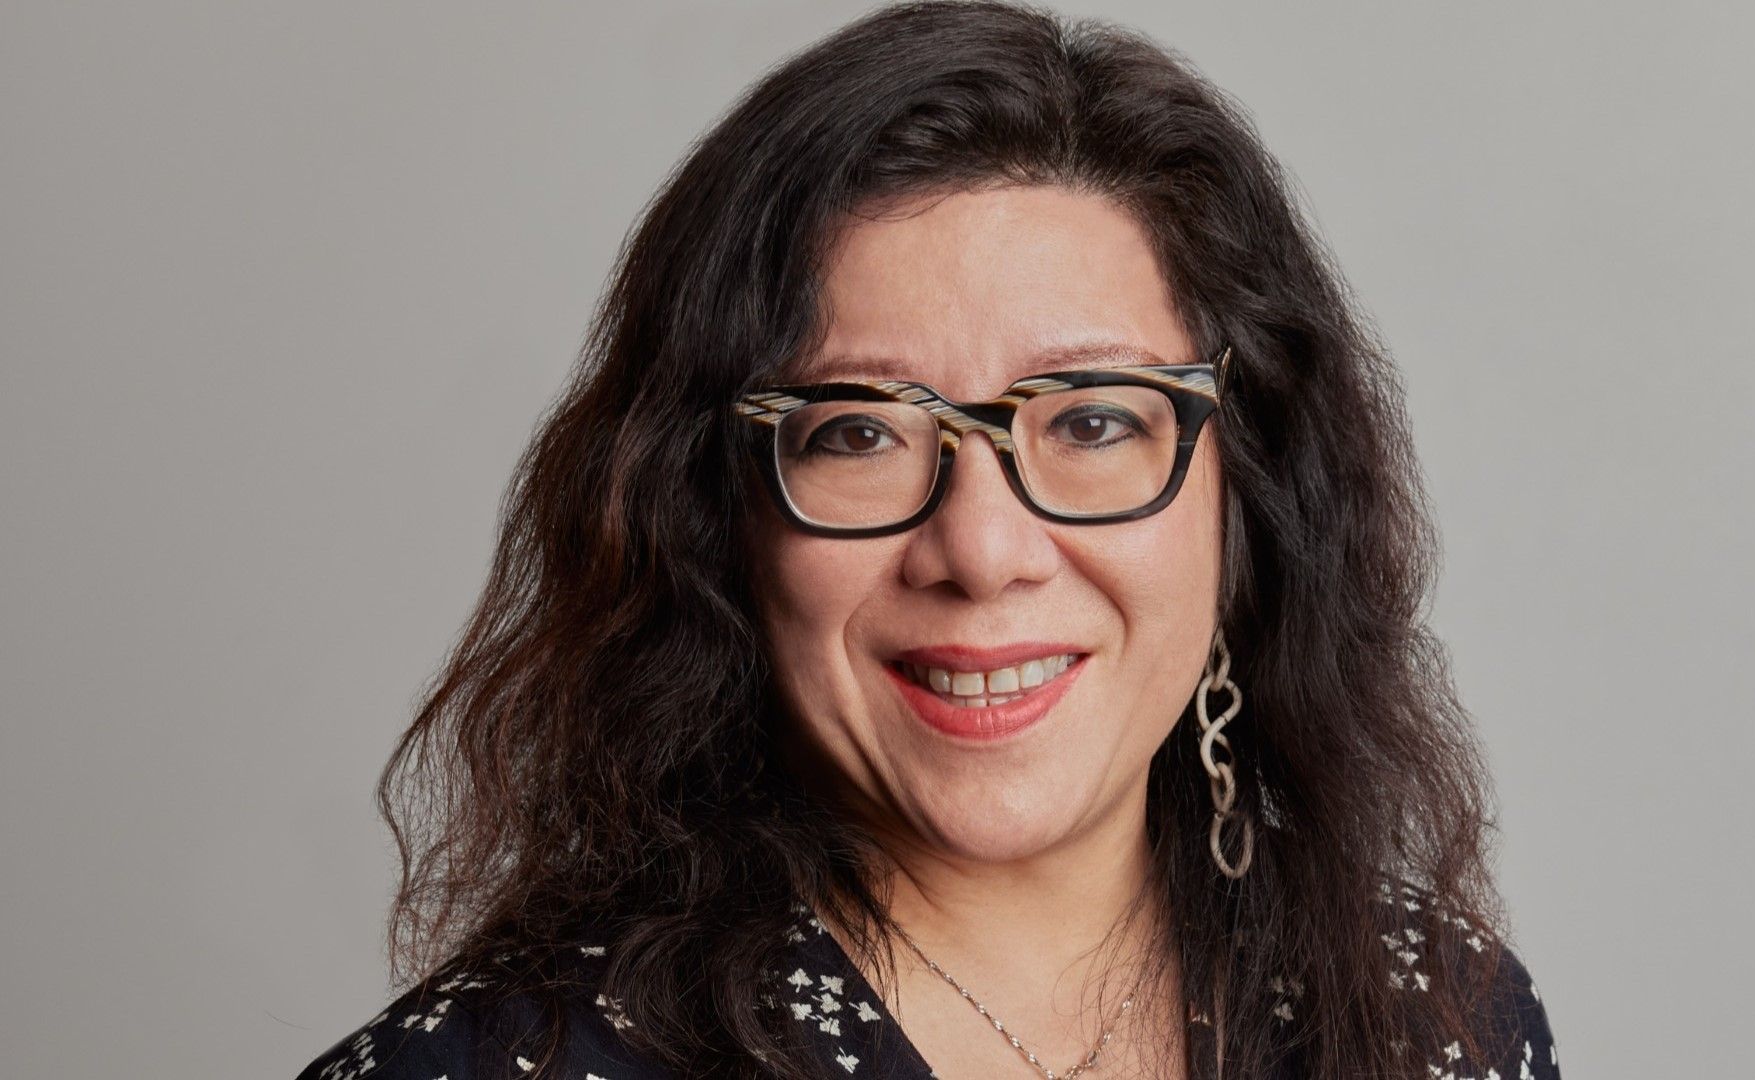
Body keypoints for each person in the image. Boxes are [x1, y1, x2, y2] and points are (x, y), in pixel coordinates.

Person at [295, 3, 1561, 1078]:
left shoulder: (1441, 1024)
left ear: (1247, 488)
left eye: (1097, 419)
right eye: (857, 433)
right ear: (712, 515)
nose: (984, 548)